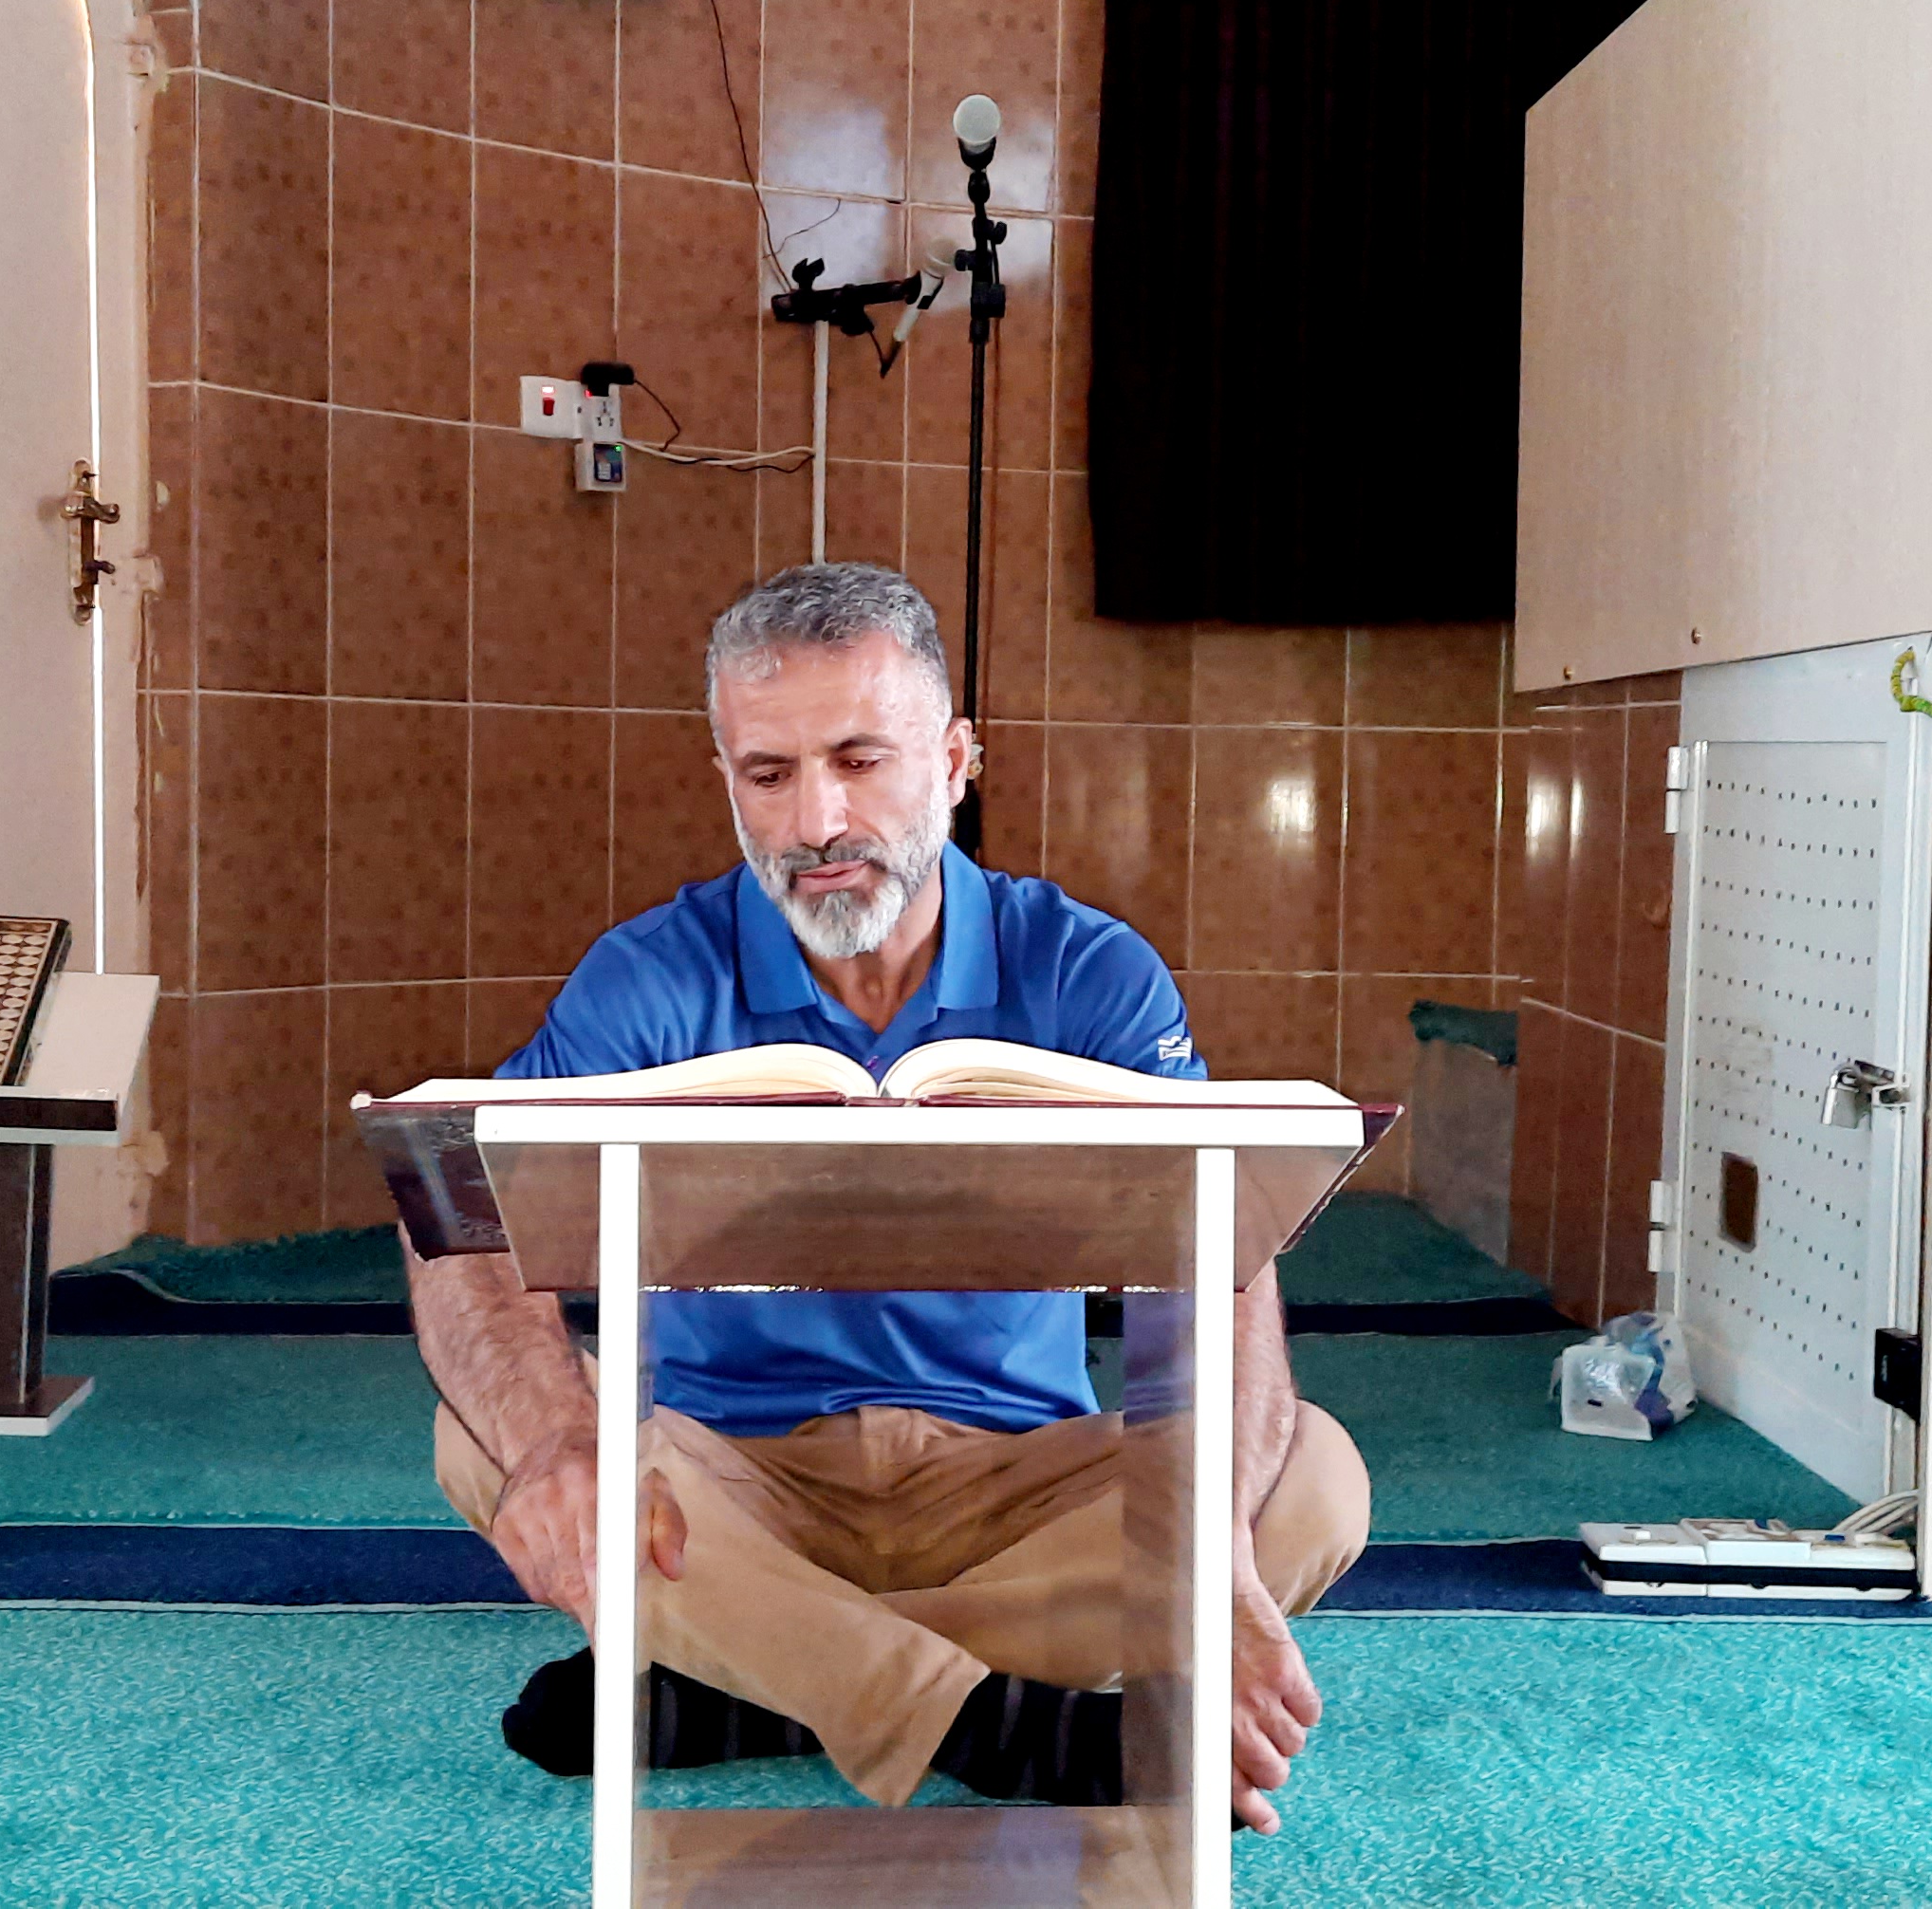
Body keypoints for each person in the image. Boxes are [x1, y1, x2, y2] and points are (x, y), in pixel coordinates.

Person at [412, 563, 1370, 1832]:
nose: (817, 820)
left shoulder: (1090, 973)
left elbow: (1218, 1272)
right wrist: (555, 1440)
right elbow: (460, 1219)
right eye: (769, 774)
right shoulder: (645, 979)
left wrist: (1215, 1555)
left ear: (957, 760)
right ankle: (979, 1718)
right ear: (727, 779)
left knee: (1310, 1480)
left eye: (862, 760)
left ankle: (759, 1678)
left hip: (1015, 1474)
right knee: (484, 1433)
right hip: (725, 1476)